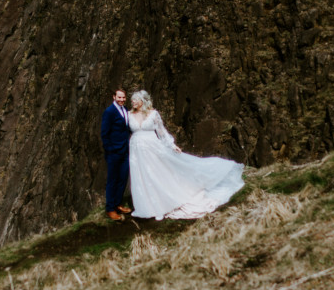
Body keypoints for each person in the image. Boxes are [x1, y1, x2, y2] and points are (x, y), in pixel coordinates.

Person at [126, 89, 244, 220]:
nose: (133, 102)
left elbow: (162, 131)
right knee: (142, 175)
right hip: (136, 150)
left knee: (157, 173)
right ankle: (148, 205)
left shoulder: (153, 114)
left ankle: (163, 203)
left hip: (153, 147)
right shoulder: (129, 115)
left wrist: (171, 145)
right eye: (132, 100)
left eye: (135, 100)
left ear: (143, 101)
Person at [100, 88, 134, 221]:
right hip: (114, 152)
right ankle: (110, 209)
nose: (121, 99)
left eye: (123, 97)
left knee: (122, 178)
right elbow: (104, 133)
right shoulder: (109, 112)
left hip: (125, 151)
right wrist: (110, 150)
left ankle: (118, 204)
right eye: (119, 97)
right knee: (112, 180)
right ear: (114, 97)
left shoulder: (125, 110)